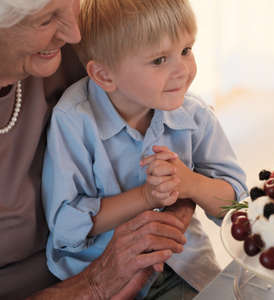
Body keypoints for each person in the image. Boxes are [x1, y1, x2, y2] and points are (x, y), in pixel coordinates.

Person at [41, 0, 248, 299]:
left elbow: (238, 207)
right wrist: (145, 197)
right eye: (159, 60)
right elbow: (66, 226)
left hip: (183, 270)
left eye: (186, 50)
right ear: (105, 76)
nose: (183, 71)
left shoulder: (194, 114)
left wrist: (191, 184)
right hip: (107, 280)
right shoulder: (74, 120)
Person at [0, 0, 198, 299]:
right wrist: (93, 286)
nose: (76, 34)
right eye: (46, 20)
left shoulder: (67, 50)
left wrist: (175, 208)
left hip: (149, 268)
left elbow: (175, 127)